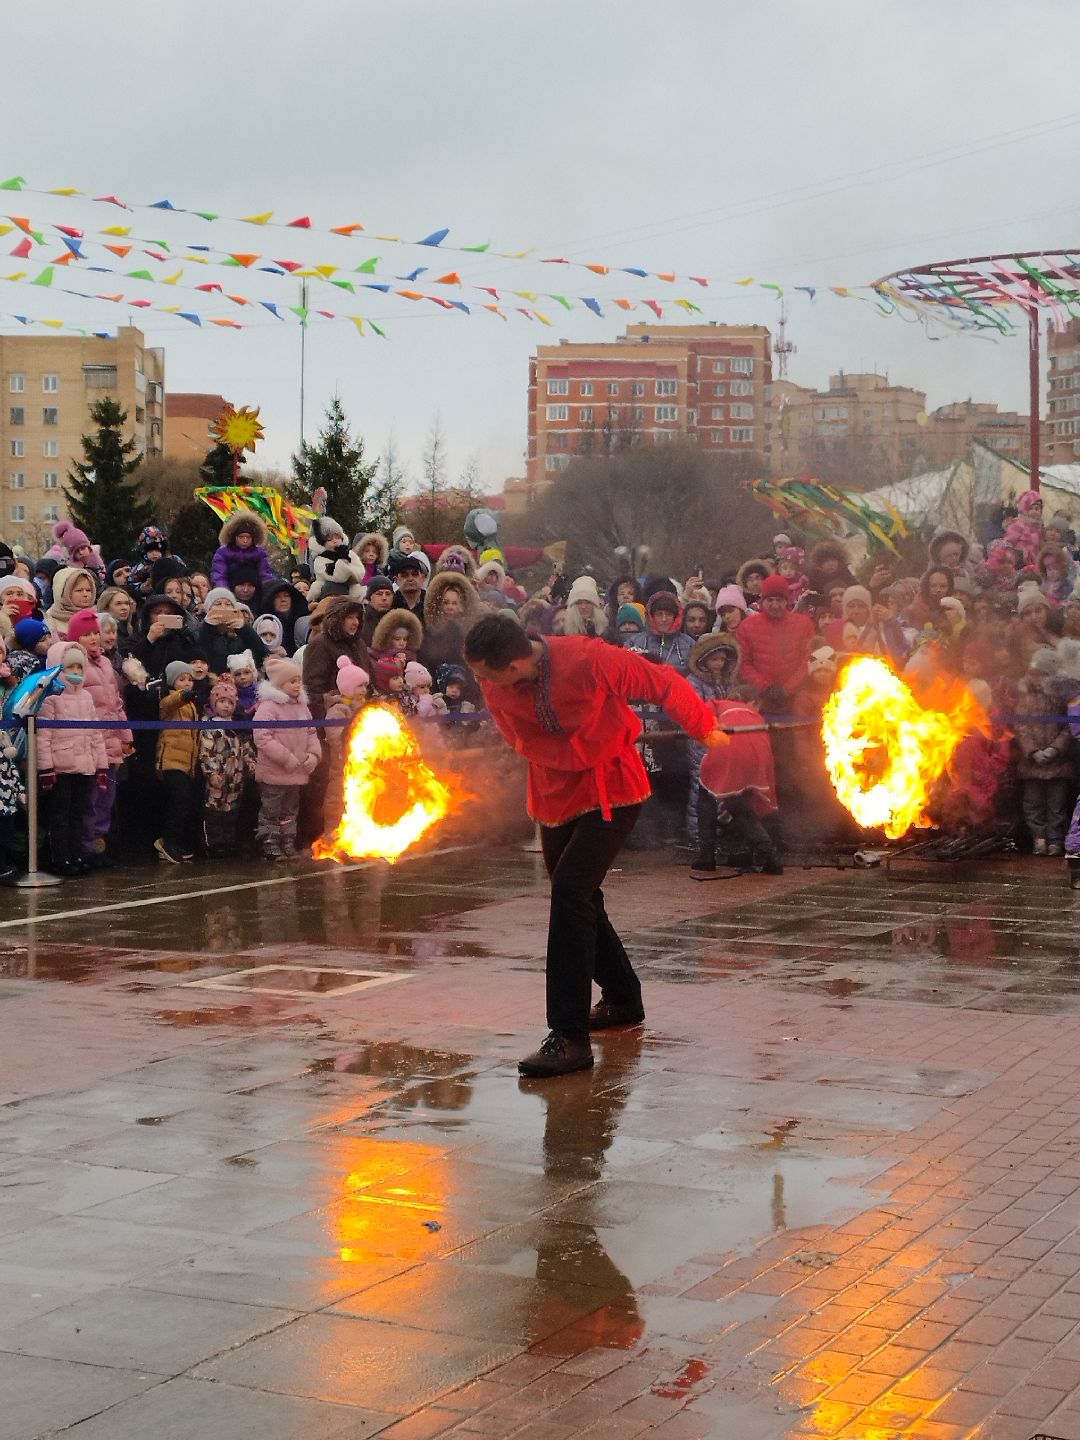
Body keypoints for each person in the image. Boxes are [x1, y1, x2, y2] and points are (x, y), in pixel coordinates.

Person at [463, 613, 724, 1079]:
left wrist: (704, 728)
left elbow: (663, 683)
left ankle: (568, 1036)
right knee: (577, 896)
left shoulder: (590, 659)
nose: (481, 683)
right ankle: (623, 997)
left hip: (612, 785)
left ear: (515, 662)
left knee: (570, 891)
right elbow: (510, 728)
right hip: (552, 789)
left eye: (486, 675)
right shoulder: (496, 682)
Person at [36, 641, 108, 876]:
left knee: (79, 812)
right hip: (61, 767)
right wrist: (46, 768)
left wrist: (101, 765)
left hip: (84, 765)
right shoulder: (50, 698)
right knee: (60, 815)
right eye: (70, 668)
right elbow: (43, 736)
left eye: (79, 668)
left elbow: (95, 733)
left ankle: (77, 853)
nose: (76, 673)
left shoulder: (86, 697)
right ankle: (60, 857)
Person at [67, 609, 130, 867]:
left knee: (106, 799)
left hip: (111, 740)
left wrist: (125, 735)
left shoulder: (105, 663)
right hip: (90, 743)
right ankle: (82, 847)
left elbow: (116, 703)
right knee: (89, 799)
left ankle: (98, 846)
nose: (94, 638)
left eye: (95, 632)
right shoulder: (74, 665)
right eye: (87, 634)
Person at [253, 656, 321, 860]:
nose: (297, 685)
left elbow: (311, 732)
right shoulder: (268, 707)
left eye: (298, 680)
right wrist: (285, 758)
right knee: (272, 808)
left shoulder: (302, 708)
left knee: (290, 809)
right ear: (280, 684)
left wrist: (313, 756)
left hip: (297, 771)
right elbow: (262, 737)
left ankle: (288, 839)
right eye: (292, 681)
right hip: (275, 771)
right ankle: (270, 840)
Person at [734, 574, 815, 711]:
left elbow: (808, 660)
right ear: (762, 601)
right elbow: (744, 663)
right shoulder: (747, 627)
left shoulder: (803, 624)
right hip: (759, 700)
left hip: (795, 700)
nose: (775, 605)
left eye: (779, 600)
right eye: (770, 600)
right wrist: (765, 687)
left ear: (786, 601)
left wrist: (787, 689)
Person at [155, 660, 201, 863]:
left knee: (184, 803)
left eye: (190, 679)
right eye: (182, 679)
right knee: (178, 802)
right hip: (171, 760)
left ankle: (174, 841)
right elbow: (169, 704)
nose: (187, 683)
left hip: (186, 762)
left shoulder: (191, 705)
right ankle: (168, 842)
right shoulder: (170, 700)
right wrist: (183, 695)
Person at [211, 509, 277, 594]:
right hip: (230, 590)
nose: (245, 541)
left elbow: (265, 574)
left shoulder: (260, 553)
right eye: (241, 537)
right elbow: (219, 574)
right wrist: (224, 591)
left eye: (248, 537)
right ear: (234, 537)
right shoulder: (223, 552)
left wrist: (268, 591)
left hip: (254, 591)